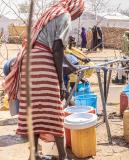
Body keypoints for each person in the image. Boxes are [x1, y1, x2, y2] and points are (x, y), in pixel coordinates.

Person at [4, 0, 85, 159]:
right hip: (42, 61)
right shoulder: (65, 15)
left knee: (34, 110)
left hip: (29, 61)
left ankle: (33, 154)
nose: (75, 17)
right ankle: (63, 156)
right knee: (54, 108)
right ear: (75, 9)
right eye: (78, 14)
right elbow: (57, 48)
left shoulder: (52, 12)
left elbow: (54, 45)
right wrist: (61, 82)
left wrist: (70, 64)